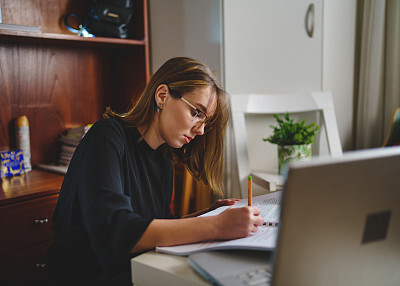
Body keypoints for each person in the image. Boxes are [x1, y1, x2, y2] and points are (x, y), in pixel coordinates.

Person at [45, 57, 264, 285]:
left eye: (206, 122)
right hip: (87, 276)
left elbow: (155, 223)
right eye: (197, 113)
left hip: (134, 271)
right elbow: (114, 231)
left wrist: (208, 214)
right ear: (162, 96)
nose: (201, 131)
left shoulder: (163, 156)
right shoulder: (106, 136)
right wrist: (217, 226)